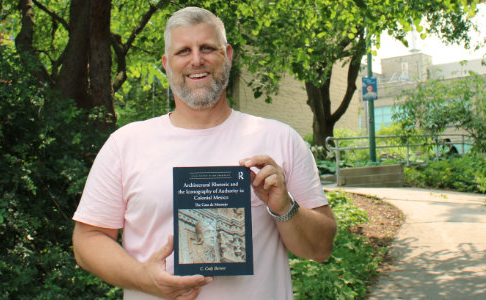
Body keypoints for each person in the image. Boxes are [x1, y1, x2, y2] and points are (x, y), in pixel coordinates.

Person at [71, 6, 337, 300]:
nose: (196, 60)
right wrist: (144, 279)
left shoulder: (280, 139)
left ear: (229, 55)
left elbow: (321, 248)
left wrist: (285, 207)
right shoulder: (126, 144)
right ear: (166, 63)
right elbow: (87, 241)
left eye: (208, 48)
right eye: (183, 51)